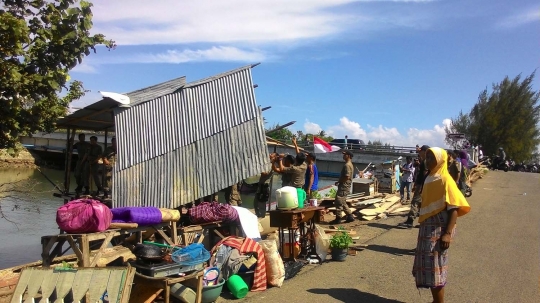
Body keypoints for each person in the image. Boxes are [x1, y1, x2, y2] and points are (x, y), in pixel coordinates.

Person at [412, 147, 470, 303]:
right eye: (428, 158)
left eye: (432, 158)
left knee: (436, 268)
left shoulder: (445, 180)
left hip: (439, 230)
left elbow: (454, 209)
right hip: (427, 229)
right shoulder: (429, 178)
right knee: (429, 268)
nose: (428, 161)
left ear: (441, 160)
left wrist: (447, 234)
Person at [399, 145, 430, 228]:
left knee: (415, 202)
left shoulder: (426, 161)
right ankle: (423, 222)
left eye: (421, 151)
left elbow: (424, 174)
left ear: (424, 151)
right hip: (421, 184)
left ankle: (410, 221)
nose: (419, 153)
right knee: (422, 204)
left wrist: (421, 187)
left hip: (422, 185)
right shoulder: (425, 161)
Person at [330, 150, 355, 224]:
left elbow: (347, 177)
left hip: (344, 186)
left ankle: (338, 218)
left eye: (345, 155)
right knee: (343, 201)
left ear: (349, 156)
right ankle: (350, 216)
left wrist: (339, 181)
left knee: (338, 201)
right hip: (345, 186)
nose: (343, 156)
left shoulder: (347, 165)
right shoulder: (349, 164)